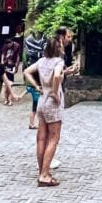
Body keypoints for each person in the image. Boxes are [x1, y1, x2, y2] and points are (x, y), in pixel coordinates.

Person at [23, 36, 65, 187]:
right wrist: (54, 92)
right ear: (58, 48)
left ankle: (42, 170)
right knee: (53, 138)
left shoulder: (41, 61)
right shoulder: (58, 61)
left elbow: (27, 72)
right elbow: (57, 75)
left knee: (41, 138)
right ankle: (45, 175)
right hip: (52, 102)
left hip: (41, 100)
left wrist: (36, 86)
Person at [0, 37, 21, 106]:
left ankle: (10, 100)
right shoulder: (5, 46)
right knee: (5, 85)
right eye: (7, 45)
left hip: (12, 66)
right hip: (5, 65)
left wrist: (16, 66)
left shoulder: (17, 46)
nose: (8, 46)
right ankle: (6, 99)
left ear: (12, 42)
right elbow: (3, 54)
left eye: (9, 44)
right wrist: (2, 62)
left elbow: (18, 56)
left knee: (10, 84)